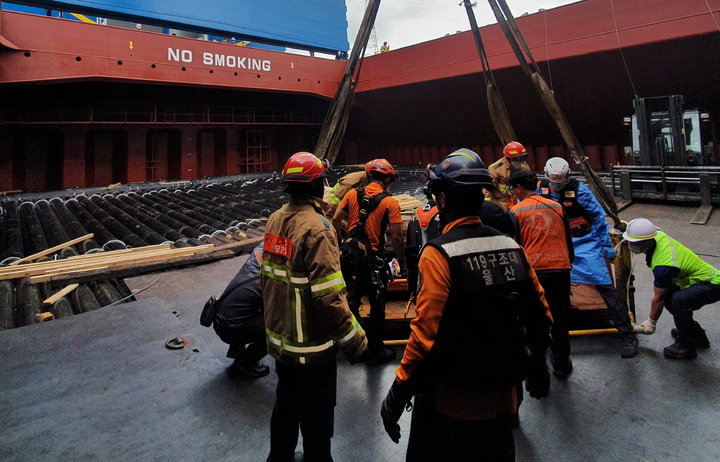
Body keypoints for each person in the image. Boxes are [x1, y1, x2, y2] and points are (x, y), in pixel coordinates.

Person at [380, 149, 553, 461]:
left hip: (451, 402)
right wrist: (539, 363)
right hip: (502, 397)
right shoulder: (511, 246)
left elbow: (424, 337)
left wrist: (397, 393)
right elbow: (539, 312)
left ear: (443, 200)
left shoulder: (438, 253)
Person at [260, 152, 368, 462]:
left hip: (282, 344)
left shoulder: (275, 219)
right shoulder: (318, 230)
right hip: (311, 350)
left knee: (285, 409)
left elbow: (268, 281)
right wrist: (356, 343)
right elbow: (329, 298)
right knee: (318, 420)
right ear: (317, 185)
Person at [539, 157, 639, 358]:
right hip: (555, 244)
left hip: (584, 243)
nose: (556, 183)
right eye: (553, 179)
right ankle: (547, 334)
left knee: (604, 285)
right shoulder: (540, 189)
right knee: (547, 286)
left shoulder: (580, 191)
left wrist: (604, 245)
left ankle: (626, 333)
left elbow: (597, 218)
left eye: (560, 179)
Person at [333, 159, 404, 366]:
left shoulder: (351, 193)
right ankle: (376, 349)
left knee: (349, 297)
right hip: (372, 260)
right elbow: (397, 236)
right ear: (389, 178)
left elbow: (336, 218)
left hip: (348, 254)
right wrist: (400, 260)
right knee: (376, 304)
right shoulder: (389, 202)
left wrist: (339, 242)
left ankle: (354, 341)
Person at [509, 170, 575, 378]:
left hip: (534, 271)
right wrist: (566, 263)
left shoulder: (516, 212)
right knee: (560, 318)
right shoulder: (557, 208)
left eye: (513, 189)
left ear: (519, 187)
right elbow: (568, 242)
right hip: (560, 268)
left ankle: (537, 363)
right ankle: (561, 363)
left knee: (533, 318)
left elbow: (514, 245)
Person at [624, 218, 717, 359]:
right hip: (696, 280)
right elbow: (654, 226)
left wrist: (651, 323)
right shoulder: (657, 234)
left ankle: (687, 347)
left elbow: (658, 298)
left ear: (646, 242)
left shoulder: (663, 266)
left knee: (678, 301)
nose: (631, 245)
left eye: (634, 242)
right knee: (671, 296)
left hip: (713, 284)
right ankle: (696, 334)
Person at [210, 242, 269, 379]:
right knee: (277, 327)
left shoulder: (259, 251)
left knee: (247, 306)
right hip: (230, 327)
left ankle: (237, 349)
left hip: (221, 318)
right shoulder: (268, 278)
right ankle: (245, 363)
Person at [488, 141, 531, 211]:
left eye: (522, 158)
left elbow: (529, 186)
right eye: (516, 159)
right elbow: (487, 189)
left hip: (518, 202)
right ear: (508, 159)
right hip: (500, 203)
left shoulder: (524, 167)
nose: (519, 162)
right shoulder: (495, 169)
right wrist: (487, 205)